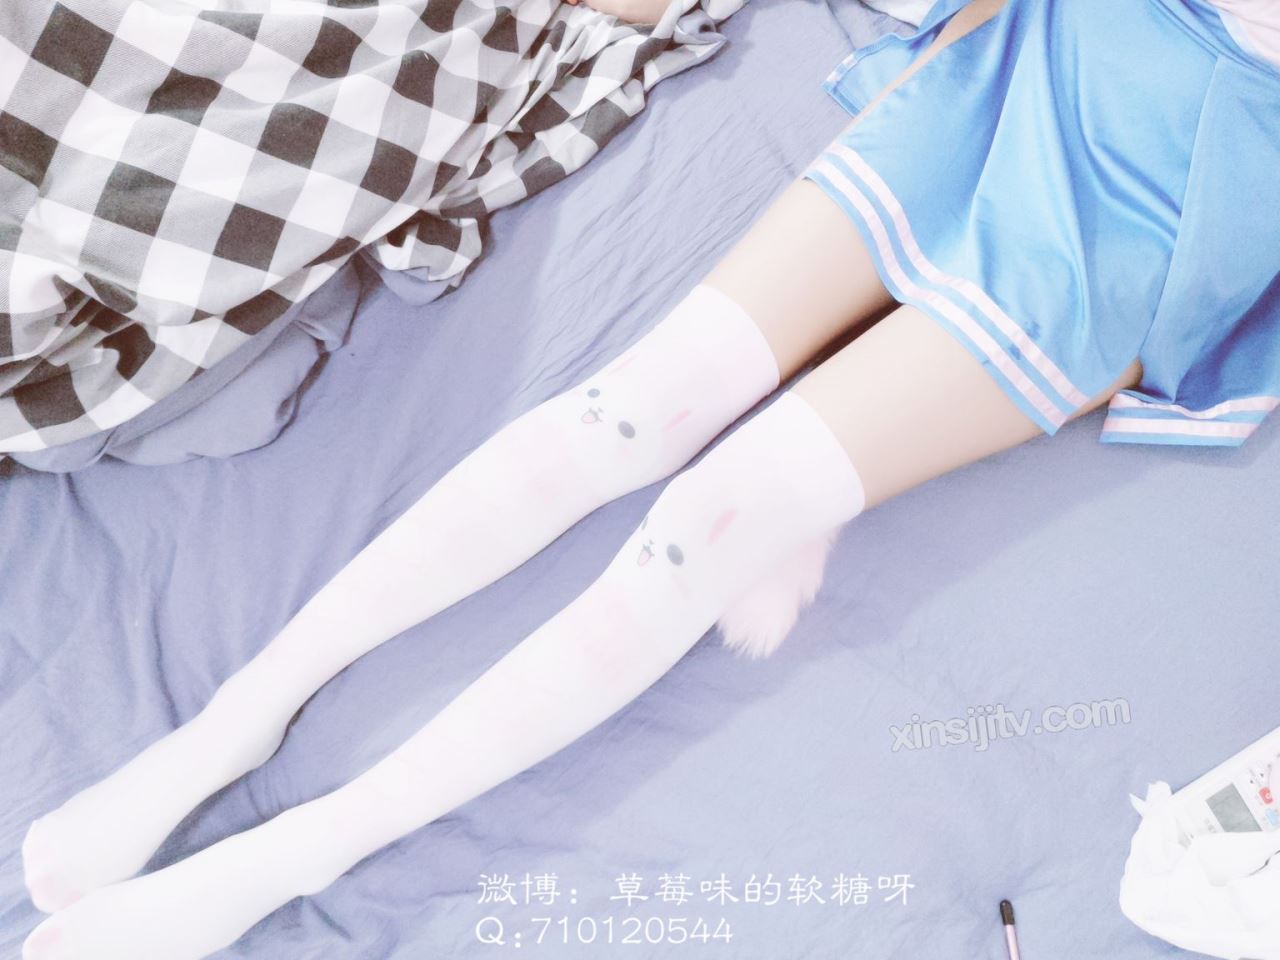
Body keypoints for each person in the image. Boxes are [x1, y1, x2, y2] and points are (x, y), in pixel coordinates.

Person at [20, 0, 1280, 957]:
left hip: (1189, 189)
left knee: (716, 521)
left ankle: (299, 852)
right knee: (625, 412)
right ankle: (227, 728)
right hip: (1037, 57)